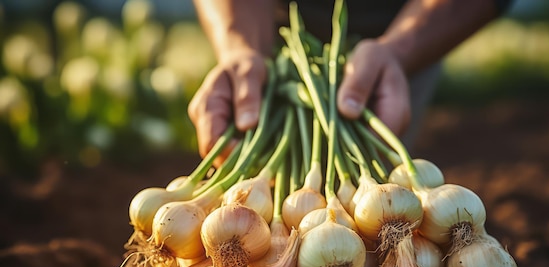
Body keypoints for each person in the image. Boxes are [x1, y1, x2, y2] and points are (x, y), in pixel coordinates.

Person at [188, 0, 513, 158]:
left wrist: (399, 52)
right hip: (267, 29)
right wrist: (239, 48)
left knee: (378, 212)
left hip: (415, 29)